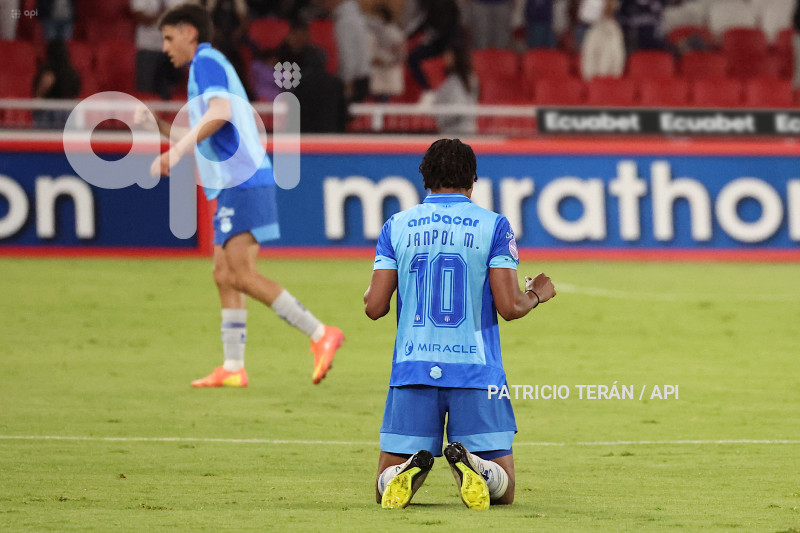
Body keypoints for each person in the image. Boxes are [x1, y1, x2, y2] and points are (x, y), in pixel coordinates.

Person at [137, 3, 344, 387]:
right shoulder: (205, 70)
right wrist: (160, 129)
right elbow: (206, 130)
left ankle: (320, 333)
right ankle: (233, 366)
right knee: (223, 273)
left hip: (243, 183)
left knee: (242, 274)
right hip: (237, 183)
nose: (165, 47)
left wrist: (176, 153)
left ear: (189, 32)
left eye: (168, 38)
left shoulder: (206, 60)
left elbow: (221, 112)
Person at [364, 139, 556, 509]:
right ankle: (477, 469)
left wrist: (368, 293)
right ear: (473, 179)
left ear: (425, 178)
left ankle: (404, 471)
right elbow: (510, 307)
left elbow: (375, 308)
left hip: (413, 369)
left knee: (382, 489)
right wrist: (537, 293)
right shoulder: (494, 226)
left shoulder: (397, 226)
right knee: (506, 492)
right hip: (476, 372)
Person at [32, 39, 81, 129]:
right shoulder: (73, 73)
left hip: (51, 113)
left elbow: (39, 96)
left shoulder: (48, 74)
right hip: (68, 113)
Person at [433, 47, 479, 134]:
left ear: (456, 57)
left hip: (459, 133)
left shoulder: (464, 80)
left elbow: (458, 109)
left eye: (448, 56)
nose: (445, 59)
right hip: (452, 132)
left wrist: (439, 116)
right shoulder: (452, 80)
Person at [580, 0, 625, 80]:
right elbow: (584, 16)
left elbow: (618, 57)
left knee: (614, 56)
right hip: (594, 27)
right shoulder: (593, 32)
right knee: (590, 57)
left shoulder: (615, 30)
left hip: (612, 28)